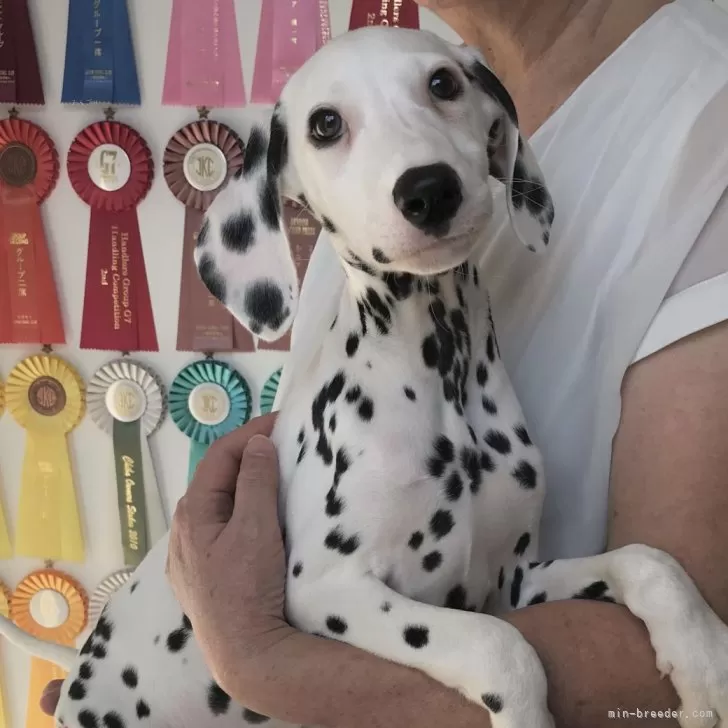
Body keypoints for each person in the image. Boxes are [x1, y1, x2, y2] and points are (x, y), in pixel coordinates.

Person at [42, 1, 728, 726]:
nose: (415, 161)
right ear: (283, 199)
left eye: (438, 90)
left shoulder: (698, 113)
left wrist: (251, 657)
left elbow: (523, 607)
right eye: (329, 130)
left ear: (503, 149)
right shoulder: (427, 107)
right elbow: (343, 592)